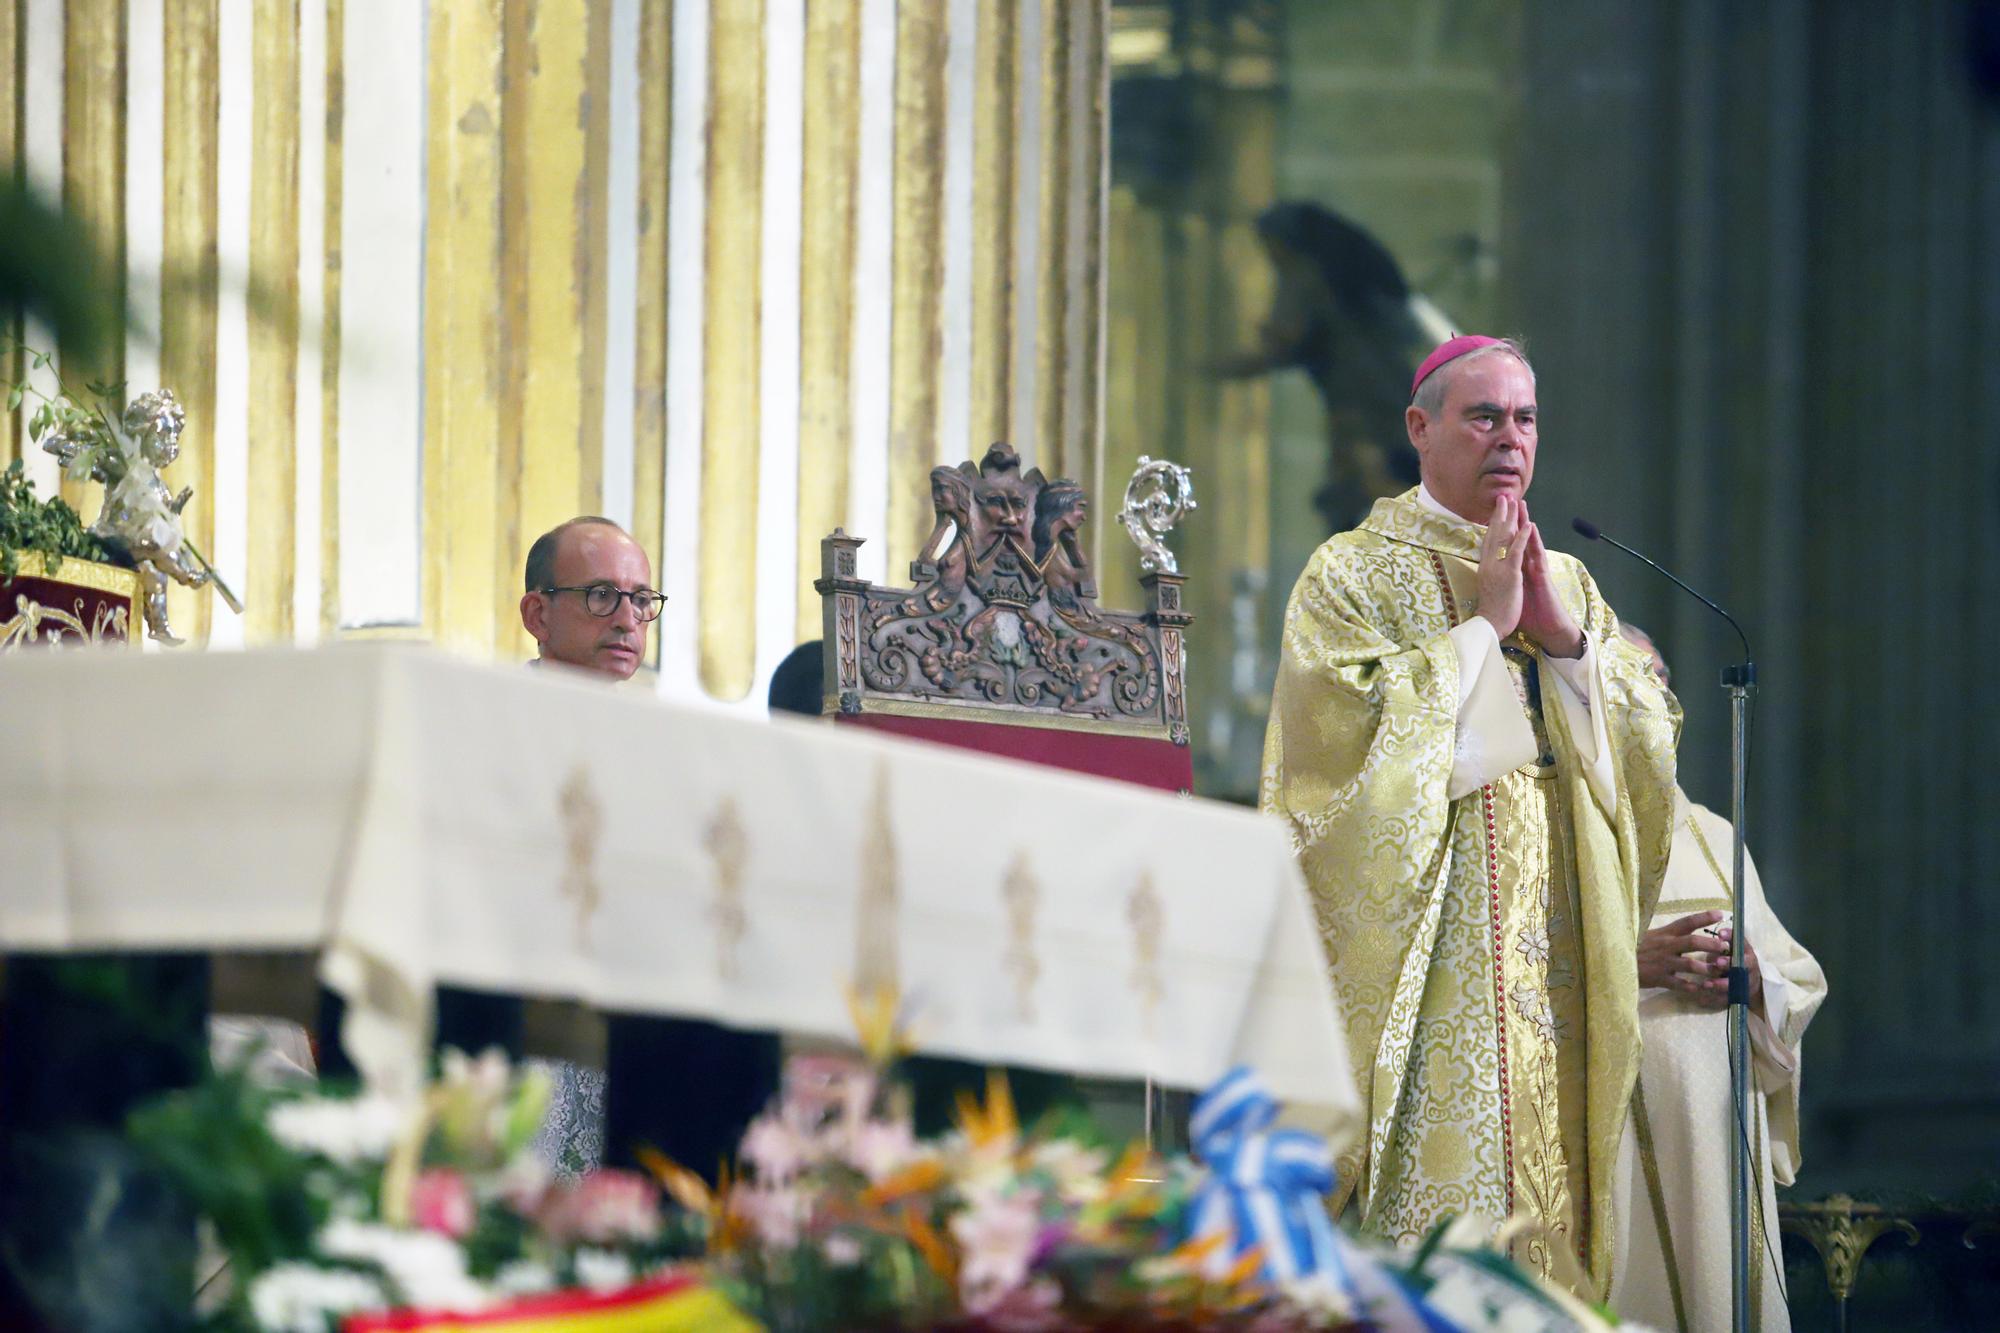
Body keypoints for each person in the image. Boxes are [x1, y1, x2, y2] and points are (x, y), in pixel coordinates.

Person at [1259, 335, 1680, 1294]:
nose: (1509, 439)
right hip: (1437, 959)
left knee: (1557, 1228)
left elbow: (1647, 741)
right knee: (1453, 1226)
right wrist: (1483, 632)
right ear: (1421, 428)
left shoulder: (1569, 579)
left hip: (1559, 957)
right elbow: (1338, 758)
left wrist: (1566, 642)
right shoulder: (1351, 574)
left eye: (1524, 418)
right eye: (1482, 415)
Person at [1610, 626, 1827, 1333]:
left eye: (1661, 676)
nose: (1656, 694)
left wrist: (1758, 976)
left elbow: (1799, 979)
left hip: (1717, 1142)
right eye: (1629, 679)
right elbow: (1501, 983)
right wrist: (1625, 962)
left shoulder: (1711, 831)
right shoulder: (1550, 839)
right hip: (1609, 1152)